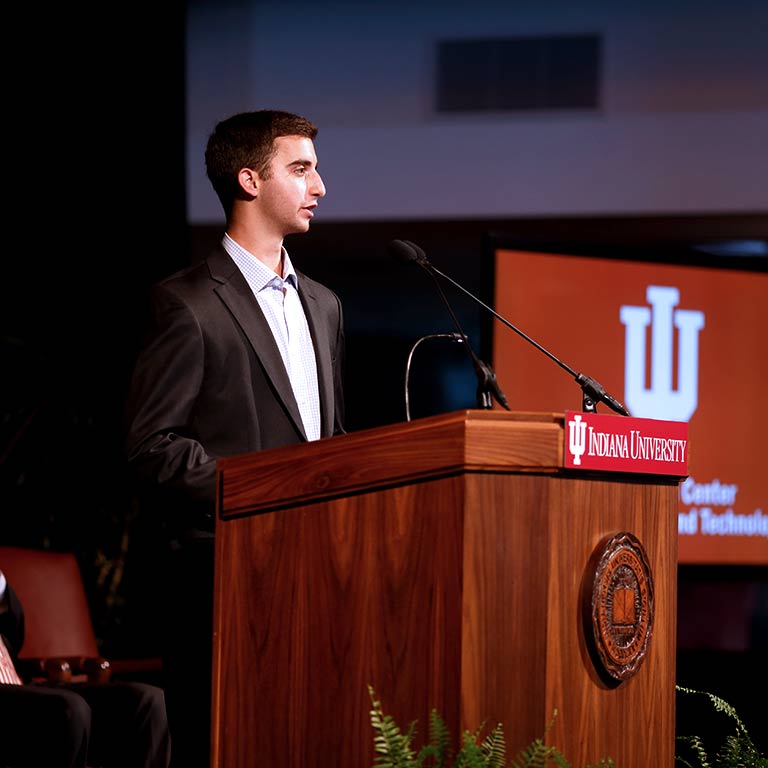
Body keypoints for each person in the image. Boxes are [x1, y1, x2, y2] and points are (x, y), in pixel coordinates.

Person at [124, 109, 346, 767]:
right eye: (301, 168)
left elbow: (329, 440)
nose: (321, 185)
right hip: (223, 585)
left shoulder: (325, 305)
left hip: (319, 580)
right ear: (249, 179)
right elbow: (149, 445)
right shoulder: (186, 302)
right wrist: (262, 485)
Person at [0, 569, 171, 768]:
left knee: (149, 701)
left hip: (18, 683)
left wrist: (1, 586)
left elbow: (14, 636)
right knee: (68, 710)